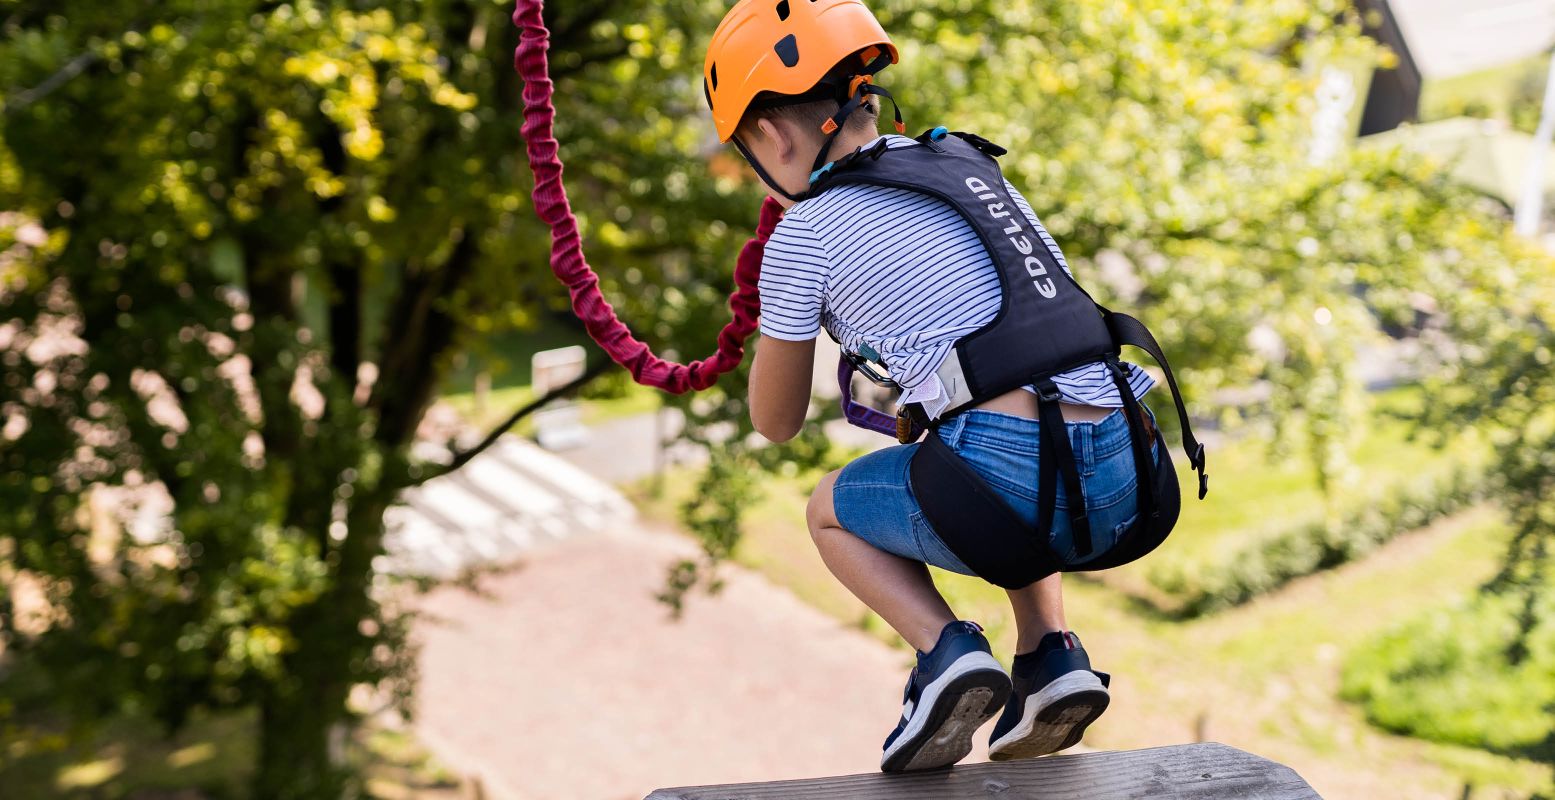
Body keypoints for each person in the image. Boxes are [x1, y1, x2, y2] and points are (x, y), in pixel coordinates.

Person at [703, 0, 1164, 773]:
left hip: (1019, 487)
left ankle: (946, 655)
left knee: (828, 512)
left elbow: (774, 419)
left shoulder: (802, 235)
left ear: (769, 136)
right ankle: (1051, 657)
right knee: (1010, 431)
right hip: (1129, 462)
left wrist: (776, 309)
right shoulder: (967, 167)